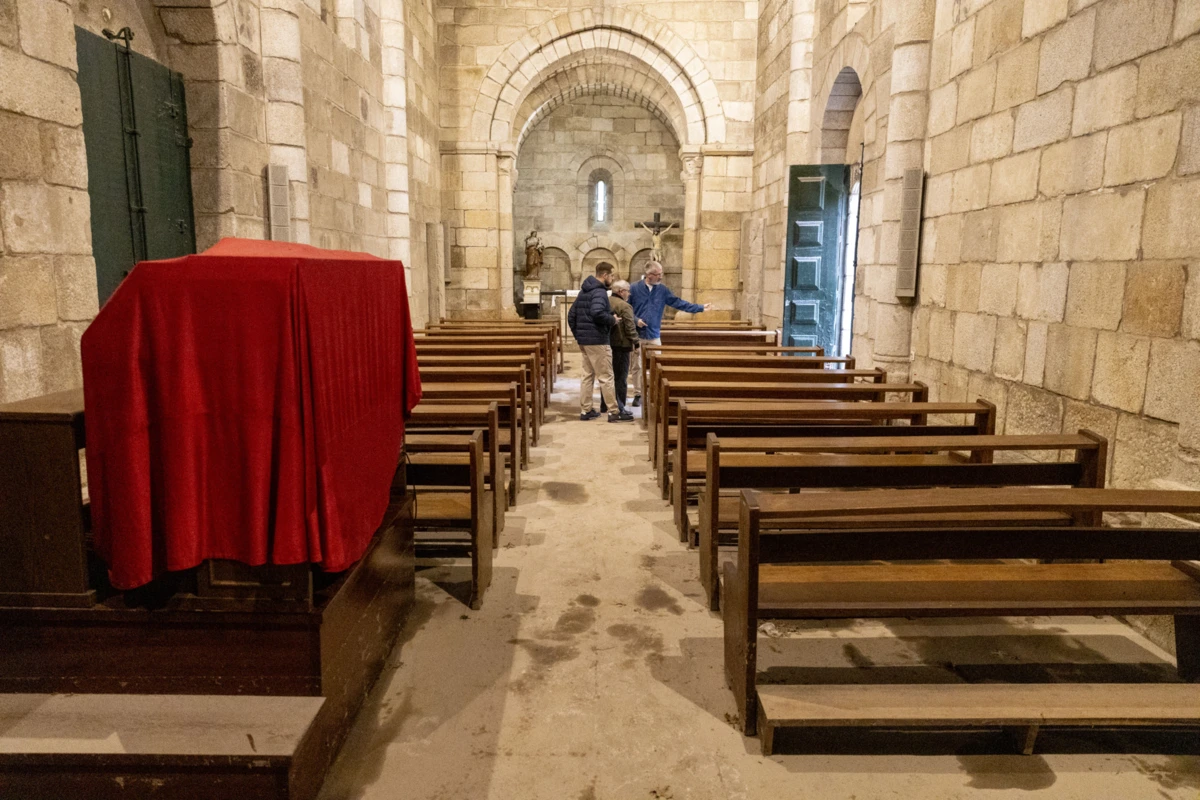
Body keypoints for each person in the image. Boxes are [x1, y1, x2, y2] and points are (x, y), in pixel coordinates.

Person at [627, 261, 711, 407]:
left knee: (658, 365)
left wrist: (701, 308)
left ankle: (654, 392)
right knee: (637, 366)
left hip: (654, 334)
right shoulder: (634, 288)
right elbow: (626, 309)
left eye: (661, 274)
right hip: (637, 335)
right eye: (658, 274)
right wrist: (636, 320)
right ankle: (638, 393)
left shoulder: (662, 290)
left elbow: (678, 303)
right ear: (649, 275)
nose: (661, 277)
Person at [567, 263, 624, 422]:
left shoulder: (584, 292)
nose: (612, 279)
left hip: (586, 342)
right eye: (612, 276)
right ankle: (613, 411)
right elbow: (597, 313)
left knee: (587, 376)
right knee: (606, 376)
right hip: (598, 340)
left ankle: (586, 410)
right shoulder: (599, 292)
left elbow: (571, 316)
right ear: (605, 275)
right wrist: (612, 320)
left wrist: (579, 337)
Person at [600, 280, 637, 420]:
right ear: (621, 291)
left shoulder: (605, 301)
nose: (629, 293)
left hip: (607, 343)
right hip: (621, 345)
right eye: (628, 290)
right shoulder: (624, 305)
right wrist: (636, 342)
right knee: (621, 377)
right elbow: (630, 326)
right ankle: (620, 406)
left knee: (608, 376)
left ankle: (605, 404)